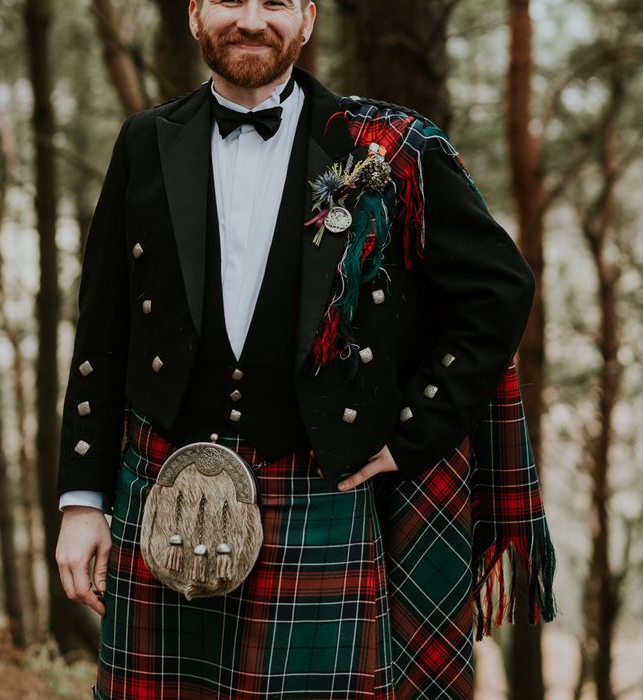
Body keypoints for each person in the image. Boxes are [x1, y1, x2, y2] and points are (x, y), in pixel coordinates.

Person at [56, 1, 556, 698]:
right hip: (164, 488)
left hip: (316, 490)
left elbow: (499, 288)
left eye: (276, 3)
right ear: (197, 13)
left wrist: (413, 435)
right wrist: (83, 501)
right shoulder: (145, 140)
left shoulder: (382, 147)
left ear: (309, 20)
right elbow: (101, 330)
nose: (252, 20)